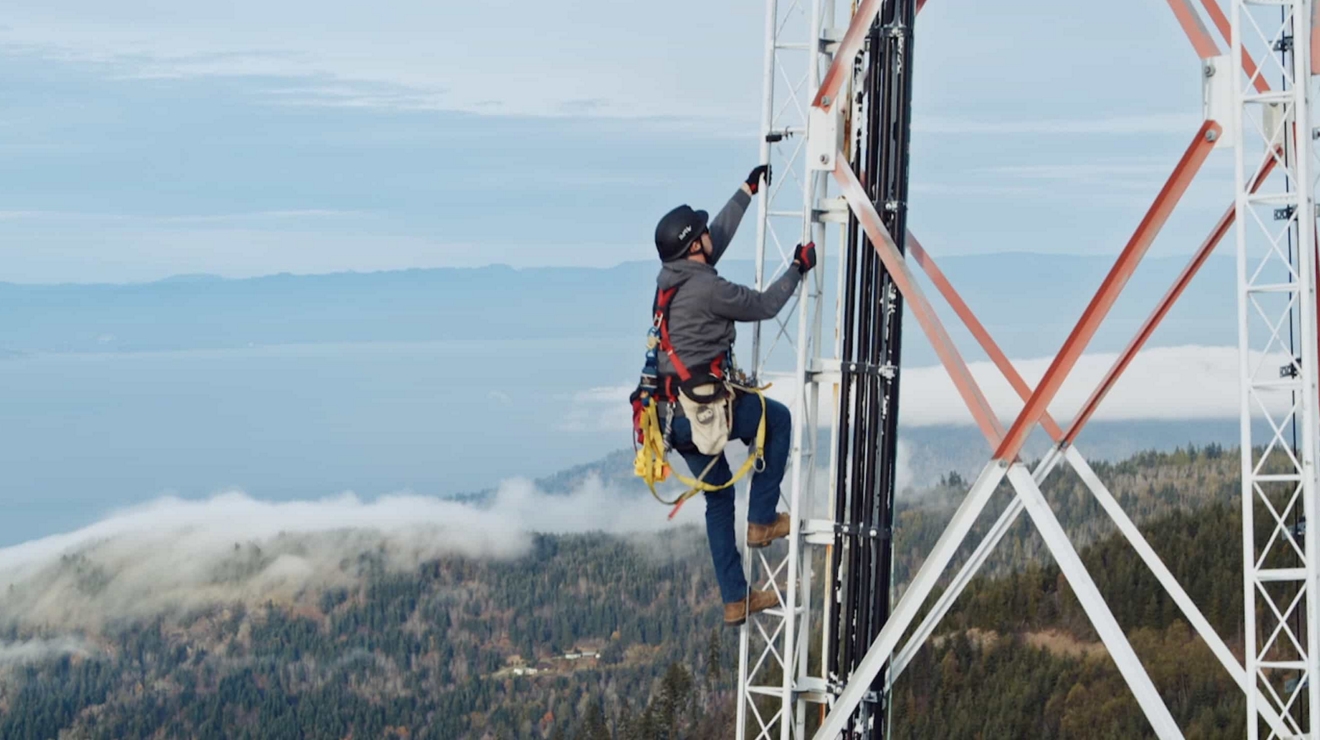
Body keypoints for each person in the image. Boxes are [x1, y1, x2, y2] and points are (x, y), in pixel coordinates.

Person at [650, 164, 817, 626]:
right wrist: (798, 269)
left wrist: (746, 192)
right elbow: (764, 305)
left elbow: (711, 240)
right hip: (706, 410)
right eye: (701, 234)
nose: (709, 236)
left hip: (673, 417)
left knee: (718, 498)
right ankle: (762, 520)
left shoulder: (671, 279)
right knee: (776, 420)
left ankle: (735, 599)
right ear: (692, 246)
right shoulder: (708, 289)